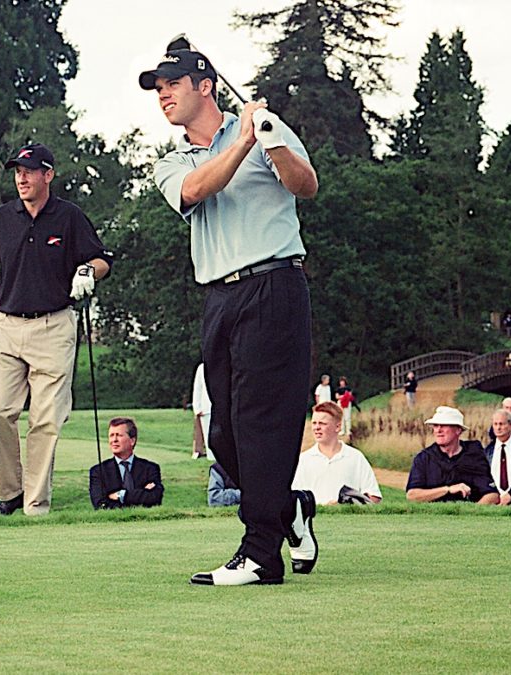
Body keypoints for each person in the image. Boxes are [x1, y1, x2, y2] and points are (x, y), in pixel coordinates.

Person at [141, 39, 319, 585]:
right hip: (219, 299)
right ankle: (288, 509)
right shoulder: (173, 160)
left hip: (273, 285)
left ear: (205, 86)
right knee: (225, 436)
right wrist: (244, 142)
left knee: (262, 423)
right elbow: (195, 190)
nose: (163, 96)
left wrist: (273, 144)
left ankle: (261, 553)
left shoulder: (266, 126)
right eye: (158, 89)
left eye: (171, 84)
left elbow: (305, 186)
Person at [0, 142, 113, 517]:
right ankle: (10, 493)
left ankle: (36, 505)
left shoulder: (69, 217)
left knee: (45, 420)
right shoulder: (1, 219)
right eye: (17, 171)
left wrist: (88, 271)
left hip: (54, 327)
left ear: (47, 175)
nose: (21, 177)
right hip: (7, 327)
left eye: (29, 171)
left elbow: (101, 260)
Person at [293, 402, 381, 505]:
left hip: (348, 519)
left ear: (338, 427)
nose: (316, 427)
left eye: (322, 423)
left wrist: (346, 504)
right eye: (314, 423)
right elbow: (294, 498)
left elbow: (374, 496)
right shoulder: (303, 460)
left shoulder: (355, 458)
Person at [406, 406, 499, 504]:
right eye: (436, 426)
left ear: (458, 430)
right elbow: (412, 495)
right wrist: (448, 489)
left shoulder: (474, 455)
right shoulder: (424, 458)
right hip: (433, 516)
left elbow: (492, 495)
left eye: (444, 425)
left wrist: (469, 514)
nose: (438, 430)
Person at [89, 417, 163, 509]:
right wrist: (141, 492)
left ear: (132, 440)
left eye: (119, 435)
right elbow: (100, 505)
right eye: (111, 435)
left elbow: (154, 499)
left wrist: (121, 495)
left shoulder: (150, 468)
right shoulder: (98, 471)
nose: (114, 440)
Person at [192, 363, 212, 460]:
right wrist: (197, 407)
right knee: (208, 435)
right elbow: (198, 388)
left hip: (220, 408)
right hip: (206, 408)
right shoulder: (201, 368)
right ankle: (210, 456)